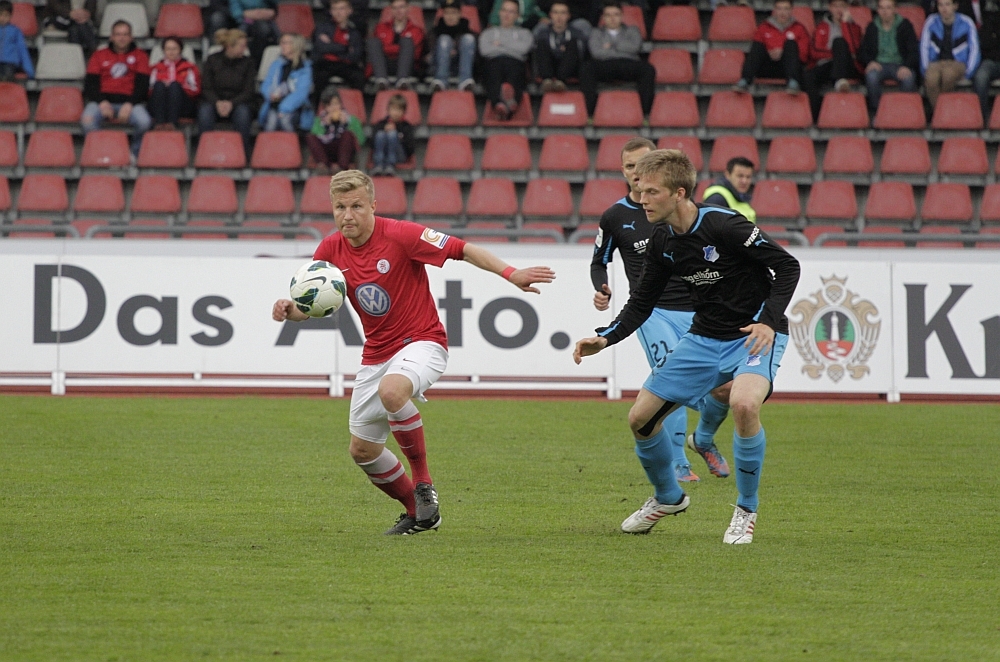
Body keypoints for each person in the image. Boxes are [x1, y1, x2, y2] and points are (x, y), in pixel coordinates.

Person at [271, 170, 556, 536]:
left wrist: (511, 273)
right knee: (362, 451)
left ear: (373, 206)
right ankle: (418, 513)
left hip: (422, 341)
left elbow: (462, 249)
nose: (348, 215)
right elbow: (317, 305)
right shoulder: (329, 251)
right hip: (376, 354)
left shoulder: (401, 235)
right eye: (340, 207)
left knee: (392, 392)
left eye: (356, 206)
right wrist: (290, 311)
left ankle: (423, 483)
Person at [573, 149, 801, 544]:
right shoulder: (662, 239)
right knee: (640, 419)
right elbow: (642, 302)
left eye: (652, 192)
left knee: (744, 404)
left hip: (753, 333)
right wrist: (605, 337)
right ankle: (668, 497)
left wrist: (767, 321)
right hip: (704, 338)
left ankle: (746, 510)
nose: (643, 199)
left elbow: (787, 266)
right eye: (640, 191)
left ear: (679, 193)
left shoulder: (725, 225)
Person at [590, 138, 734, 484]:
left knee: (725, 388)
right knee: (672, 383)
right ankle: (678, 465)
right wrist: (601, 286)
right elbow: (599, 260)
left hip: (698, 311)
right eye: (630, 167)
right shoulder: (615, 216)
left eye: (643, 166)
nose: (637, 174)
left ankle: (703, 438)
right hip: (652, 312)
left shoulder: (678, 208)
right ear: (622, 170)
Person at [81, 20, 151, 158]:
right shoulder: (99, 55)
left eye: (125, 34)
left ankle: (134, 155)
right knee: (87, 121)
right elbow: (90, 84)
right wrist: (102, 102)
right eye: (118, 34)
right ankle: (101, 155)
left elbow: (143, 86)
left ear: (131, 37)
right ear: (111, 37)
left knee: (144, 122)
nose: (122, 38)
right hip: (102, 102)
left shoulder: (141, 55)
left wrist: (130, 104)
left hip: (131, 103)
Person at [580, 1, 655, 118]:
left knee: (648, 69)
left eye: (616, 14)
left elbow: (635, 47)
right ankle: (590, 113)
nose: (612, 18)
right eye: (608, 15)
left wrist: (611, 45)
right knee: (586, 68)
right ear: (603, 17)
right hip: (605, 64)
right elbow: (596, 53)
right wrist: (622, 47)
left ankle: (645, 113)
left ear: (622, 16)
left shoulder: (633, 30)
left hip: (628, 64)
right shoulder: (596, 32)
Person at [199, 28, 258, 159]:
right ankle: (204, 153)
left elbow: (249, 91)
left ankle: (242, 155)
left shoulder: (248, 63)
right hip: (215, 101)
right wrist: (217, 103)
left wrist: (231, 103)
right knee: (204, 112)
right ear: (230, 46)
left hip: (239, 102)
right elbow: (206, 88)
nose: (244, 49)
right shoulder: (212, 60)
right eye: (241, 46)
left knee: (243, 114)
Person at [858, 0, 920, 117]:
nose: (885, 11)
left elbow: (913, 51)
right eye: (882, 8)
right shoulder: (872, 27)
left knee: (908, 78)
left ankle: (904, 114)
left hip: (900, 64)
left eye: (888, 8)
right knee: (871, 76)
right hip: (879, 65)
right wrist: (870, 62)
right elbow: (862, 51)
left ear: (895, 9)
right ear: (878, 10)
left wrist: (907, 66)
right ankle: (877, 113)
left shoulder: (905, 26)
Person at [735, 0, 811, 94]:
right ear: (774, 10)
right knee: (758, 45)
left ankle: (793, 82)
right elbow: (755, 51)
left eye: (786, 9)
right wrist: (770, 53)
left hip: (790, 68)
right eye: (779, 9)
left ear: (791, 10)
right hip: (768, 66)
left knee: (791, 43)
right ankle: (745, 80)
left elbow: (804, 55)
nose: (782, 12)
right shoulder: (764, 27)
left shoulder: (799, 28)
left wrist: (783, 53)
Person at [805, 0, 863, 119]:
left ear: (846, 8)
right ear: (830, 8)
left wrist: (845, 24)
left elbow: (853, 50)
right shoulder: (822, 27)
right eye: (835, 6)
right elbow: (814, 52)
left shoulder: (855, 28)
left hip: (849, 65)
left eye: (841, 6)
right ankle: (816, 117)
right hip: (829, 64)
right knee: (808, 76)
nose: (838, 10)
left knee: (839, 42)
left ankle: (839, 79)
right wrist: (836, 55)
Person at [479, 0, 534, 120]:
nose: (507, 14)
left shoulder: (525, 33)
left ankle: (504, 102)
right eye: (504, 10)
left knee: (514, 67)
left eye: (511, 11)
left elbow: (523, 49)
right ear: (499, 12)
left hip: (515, 63)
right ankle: (504, 103)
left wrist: (499, 44)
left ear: (517, 16)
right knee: (493, 69)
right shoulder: (488, 33)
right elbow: (485, 50)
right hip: (493, 63)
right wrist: (512, 46)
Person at [920, 0, 981, 109]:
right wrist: (925, 68)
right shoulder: (931, 21)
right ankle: (940, 112)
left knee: (948, 75)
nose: (944, 8)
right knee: (930, 78)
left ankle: (942, 111)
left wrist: (968, 72)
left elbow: (974, 49)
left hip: (958, 63)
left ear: (955, 6)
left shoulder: (966, 22)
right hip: (936, 63)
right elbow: (924, 47)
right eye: (940, 5)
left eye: (947, 4)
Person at [259, 33, 314, 132]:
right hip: (274, 103)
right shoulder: (276, 64)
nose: (282, 45)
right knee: (271, 121)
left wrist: (283, 109)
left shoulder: (304, 68)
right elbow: (266, 84)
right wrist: (269, 94)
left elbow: (301, 93)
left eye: (285, 43)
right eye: (281, 42)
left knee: (284, 119)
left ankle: (291, 142)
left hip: (294, 106)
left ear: (295, 45)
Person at [312, 0, 365, 100]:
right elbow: (321, 48)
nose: (338, 12)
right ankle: (317, 107)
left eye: (342, 9)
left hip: (346, 64)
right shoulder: (322, 28)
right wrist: (345, 48)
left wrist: (331, 46)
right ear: (330, 11)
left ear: (349, 11)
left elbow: (355, 55)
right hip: (325, 63)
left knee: (359, 77)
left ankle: (355, 106)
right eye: (334, 9)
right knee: (319, 77)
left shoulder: (355, 32)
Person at [367, 0, 425, 90]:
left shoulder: (417, 30)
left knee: (407, 42)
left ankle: (402, 80)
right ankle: (381, 81)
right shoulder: (380, 28)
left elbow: (415, 54)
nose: (398, 11)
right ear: (391, 10)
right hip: (384, 65)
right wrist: (401, 50)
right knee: (373, 42)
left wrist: (387, 48)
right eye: (395, 8)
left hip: (408, 66)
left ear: (408, 8)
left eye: (401, 7)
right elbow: (375, 51)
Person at [307, 86, 364, 175]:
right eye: (329, 105)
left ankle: (341, 168)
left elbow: (361, 140)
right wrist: (325, 126)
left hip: (345, 153)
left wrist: (346, 125)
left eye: (336, 104)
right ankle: (324, 166)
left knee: (347, 134)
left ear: (341, 104)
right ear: (325, 108)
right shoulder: (319, 121)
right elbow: (316, 138)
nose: (334, 108)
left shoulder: (352, 120)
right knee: (310, 137)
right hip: (327, 151)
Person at [148, 37, 201, 130]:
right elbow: (149, 90)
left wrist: (180, 85)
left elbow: (196, 90)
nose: (171, 52)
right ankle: (159, 123)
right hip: (159, 104)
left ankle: (172, 123)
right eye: (168, 49)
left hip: (183, 105)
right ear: (163, 50)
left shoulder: (189, 67)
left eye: (174, 49)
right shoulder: (156, 68)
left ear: (180, 50)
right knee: (159, 85)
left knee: (174, 86)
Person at [533, 1, 584, 93]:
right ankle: (547, 81)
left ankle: (561, 81)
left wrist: (565, 48)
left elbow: (581, 54)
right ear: (550, 15)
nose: (559, 17)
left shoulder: (576, 33)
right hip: (549, 66)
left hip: (569, 68)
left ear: (568, 15)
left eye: (563, 13)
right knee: (541, 43)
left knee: (572, 44)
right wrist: (560, 49)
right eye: (556, 12)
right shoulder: (543, 33)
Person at [432, 0, 476, 91]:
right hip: (438, 64)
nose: (450, 16)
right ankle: (441, 80)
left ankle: (465, 80)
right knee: (444, 39)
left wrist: (456, 50)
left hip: (460, 64)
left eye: (453, 13)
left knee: (468, 38)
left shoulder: (468, 32)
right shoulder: (434, 33)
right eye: (447, 13)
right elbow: (429, 53)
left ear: (460, 14)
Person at [703, 157, 757, 225]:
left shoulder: (741, 196)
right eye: (740, 176)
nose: (744, 181)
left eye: (748, 177)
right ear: (727, 175)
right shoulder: (717, 197)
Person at [370, 93, 415, 175]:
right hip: (381, 154)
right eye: (394, 109)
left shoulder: (406, 126)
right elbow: (372, 144)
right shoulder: (380, 124)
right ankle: (378, 165)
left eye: (399, 110)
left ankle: (390, 165)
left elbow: (410, 149)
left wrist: (398, 134)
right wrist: (384, 131)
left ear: (404, 111)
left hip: (399, 156)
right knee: (380, 134)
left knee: (392, 134)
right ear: (388, 110)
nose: (396, 113)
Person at [227, 0, 278, 66]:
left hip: (265, 19)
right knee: (240, 34)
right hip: (245, 20)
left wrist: (268, 13)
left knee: (267, 30)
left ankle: (260, 62)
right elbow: (236, 13)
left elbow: (274, 8)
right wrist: (248, 14)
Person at [973, 0, 1000, 121]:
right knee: (981, 76)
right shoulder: (989, 20)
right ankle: (982, 118)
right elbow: (986, 45)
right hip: (992, 62)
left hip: (993, 56)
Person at [0, 0, 33, 81]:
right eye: (0, 15)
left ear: (10, 16)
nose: (2, 18)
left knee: (7, 76)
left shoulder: (15, 31)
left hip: (10, 63)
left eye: (6, 15)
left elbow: (22, 50)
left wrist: (29, 70)